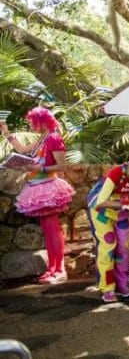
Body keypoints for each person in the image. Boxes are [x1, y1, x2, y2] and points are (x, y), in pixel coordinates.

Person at [0, 107, 75, 284]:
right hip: (37, 187)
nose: (31, 125)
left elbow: (61, 166)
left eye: (33, 122)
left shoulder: (55, 138)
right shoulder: (44, 138)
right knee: (49, 232)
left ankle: (60, 270)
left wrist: (38, 168)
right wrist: (6, 132)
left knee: (53, 230)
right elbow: (23, 149)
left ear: (42, 122)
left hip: (47, 188)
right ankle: (52, 269)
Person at [87, 148, 129, 303]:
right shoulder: (117, 173)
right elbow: (101, 201)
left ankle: (123, 285)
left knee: (124, 248)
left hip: (121, 211)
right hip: (101, 210)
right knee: (108, 244)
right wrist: (124, 205)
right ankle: (107, 288)